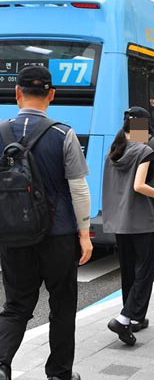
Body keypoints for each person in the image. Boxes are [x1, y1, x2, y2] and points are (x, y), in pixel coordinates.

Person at [0, 66, 93, 380]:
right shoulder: (63, 133)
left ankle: (1, 364)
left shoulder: (0, 133)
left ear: (17, 93)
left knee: (16, 306)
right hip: (59, 236)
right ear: (51, 95)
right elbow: (79, 188)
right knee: (62, 306)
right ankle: (59, 373)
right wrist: (84, 234)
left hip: (13, 237)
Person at [102, 107, 154, 346]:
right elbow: (139, 186)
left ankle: (132, 318)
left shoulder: (115, 149)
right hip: (141, 221)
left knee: (129, 271)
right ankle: (125, 317)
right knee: (145, 272)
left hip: (120, 222)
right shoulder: (145, 151)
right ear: (145, 127)